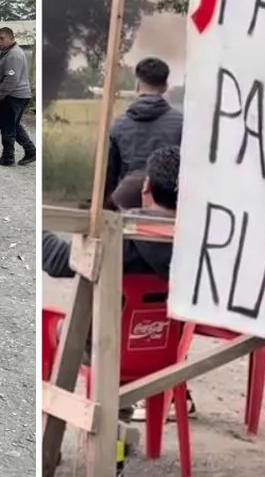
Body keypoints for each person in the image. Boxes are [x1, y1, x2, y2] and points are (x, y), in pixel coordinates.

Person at [40, 146, 195, 420]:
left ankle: (80, 422)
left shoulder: (117, 241)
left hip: (102, 349)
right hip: (166, 355)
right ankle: (120, 419)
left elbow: (56, 261)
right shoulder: (197, 247)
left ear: (146, 187)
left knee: (65, 324)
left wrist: (38, 231)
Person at [105, 57, 183, 211]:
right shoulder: (182, 123)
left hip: (126, 204)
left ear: (137, 85)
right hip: (167, 207)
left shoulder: (119, 125)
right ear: (165, 86)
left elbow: (110, 176)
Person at [0, 27, 36, 167]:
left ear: (11, 38)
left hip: (13, 95)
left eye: (2, 38)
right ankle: (31, 150)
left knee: (7, 127)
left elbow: (11, 79)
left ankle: (8, 157)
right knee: (13, 125)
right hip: (16, 95)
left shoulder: (13, 54)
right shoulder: (7, 53)